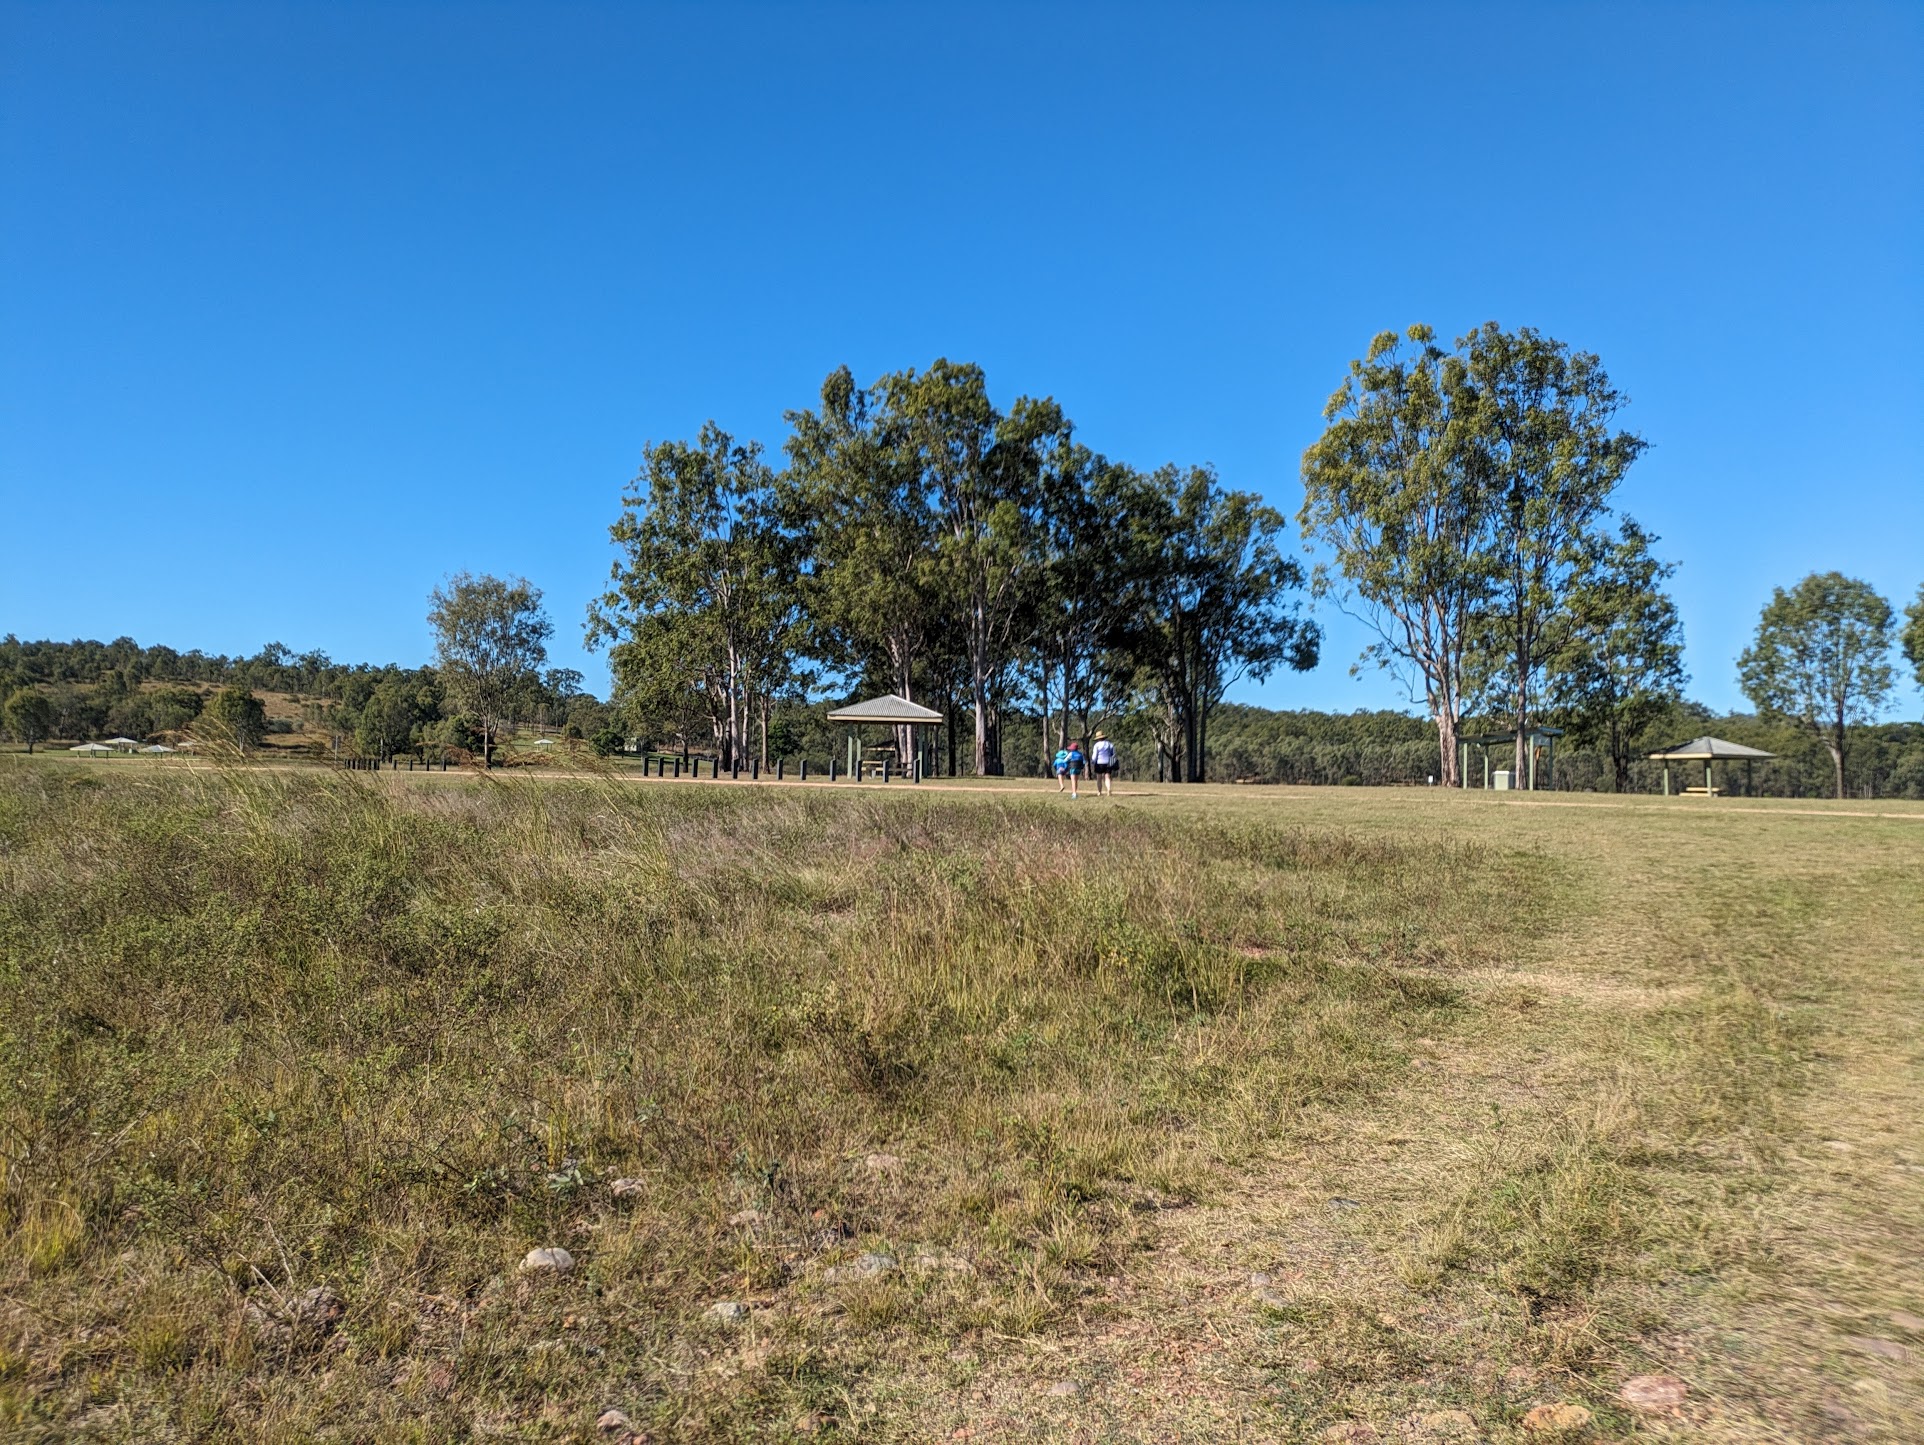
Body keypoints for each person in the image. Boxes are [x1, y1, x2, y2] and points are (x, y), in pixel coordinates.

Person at [1091, 731, 1117, 795]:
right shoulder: (1110, 744)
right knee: (1107, 777)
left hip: (1099, 762)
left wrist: (1093, 761)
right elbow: (1113, 754)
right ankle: (1108, 789)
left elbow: (1095, 755)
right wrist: (1112, 762)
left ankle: (1099, 791)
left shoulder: (1096, 745)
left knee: (1099, 778)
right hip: (1108, 762)